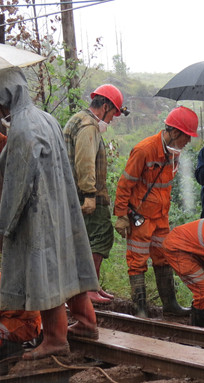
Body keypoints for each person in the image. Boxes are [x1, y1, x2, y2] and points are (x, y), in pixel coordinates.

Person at [0, 67, 99, 360]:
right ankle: (87, 324)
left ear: (7, 97)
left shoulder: (23, 127)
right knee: (68, 263)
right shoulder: (45, 118)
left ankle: (55, 340)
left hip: (39, 211)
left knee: (45, 271)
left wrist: (6, 224)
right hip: (61, 205)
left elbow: (18, 180)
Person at [113, 105, 198, 318]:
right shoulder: (144, 150)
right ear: (175, 132)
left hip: (161, 218)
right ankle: (140, 310)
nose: (188, 141)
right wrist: (121, 215)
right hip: (141, 217)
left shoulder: (173, 154)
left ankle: (170, 305)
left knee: (164, 258)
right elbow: (125, 184)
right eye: (187, 136)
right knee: (137, 261)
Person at [63, 84, 128, 304]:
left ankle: (91, 286)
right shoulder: (89, 125)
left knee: (86, 240)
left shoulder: (78, 119)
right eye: (112, 114)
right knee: (101, 236)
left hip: (75, 192)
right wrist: (90, 194)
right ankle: (89, 288)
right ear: (106, 106)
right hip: (86, 194)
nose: (111, 120)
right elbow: (85, 161)